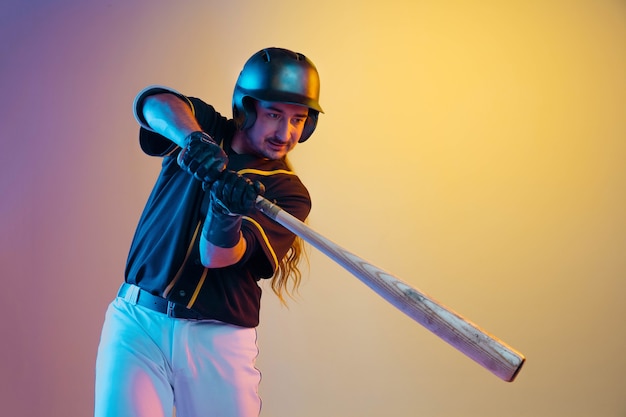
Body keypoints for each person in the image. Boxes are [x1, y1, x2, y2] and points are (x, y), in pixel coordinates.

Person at [95, 47, 323, 417]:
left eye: (299, 119)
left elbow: (215, 256)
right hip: (137, 323)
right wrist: (193, 140)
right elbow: (152, 103)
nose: (286, 132)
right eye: (274, 114)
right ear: (246, 108)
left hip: (216, 340)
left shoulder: (288, 193)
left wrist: (225, 211)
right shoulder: (206, 126)